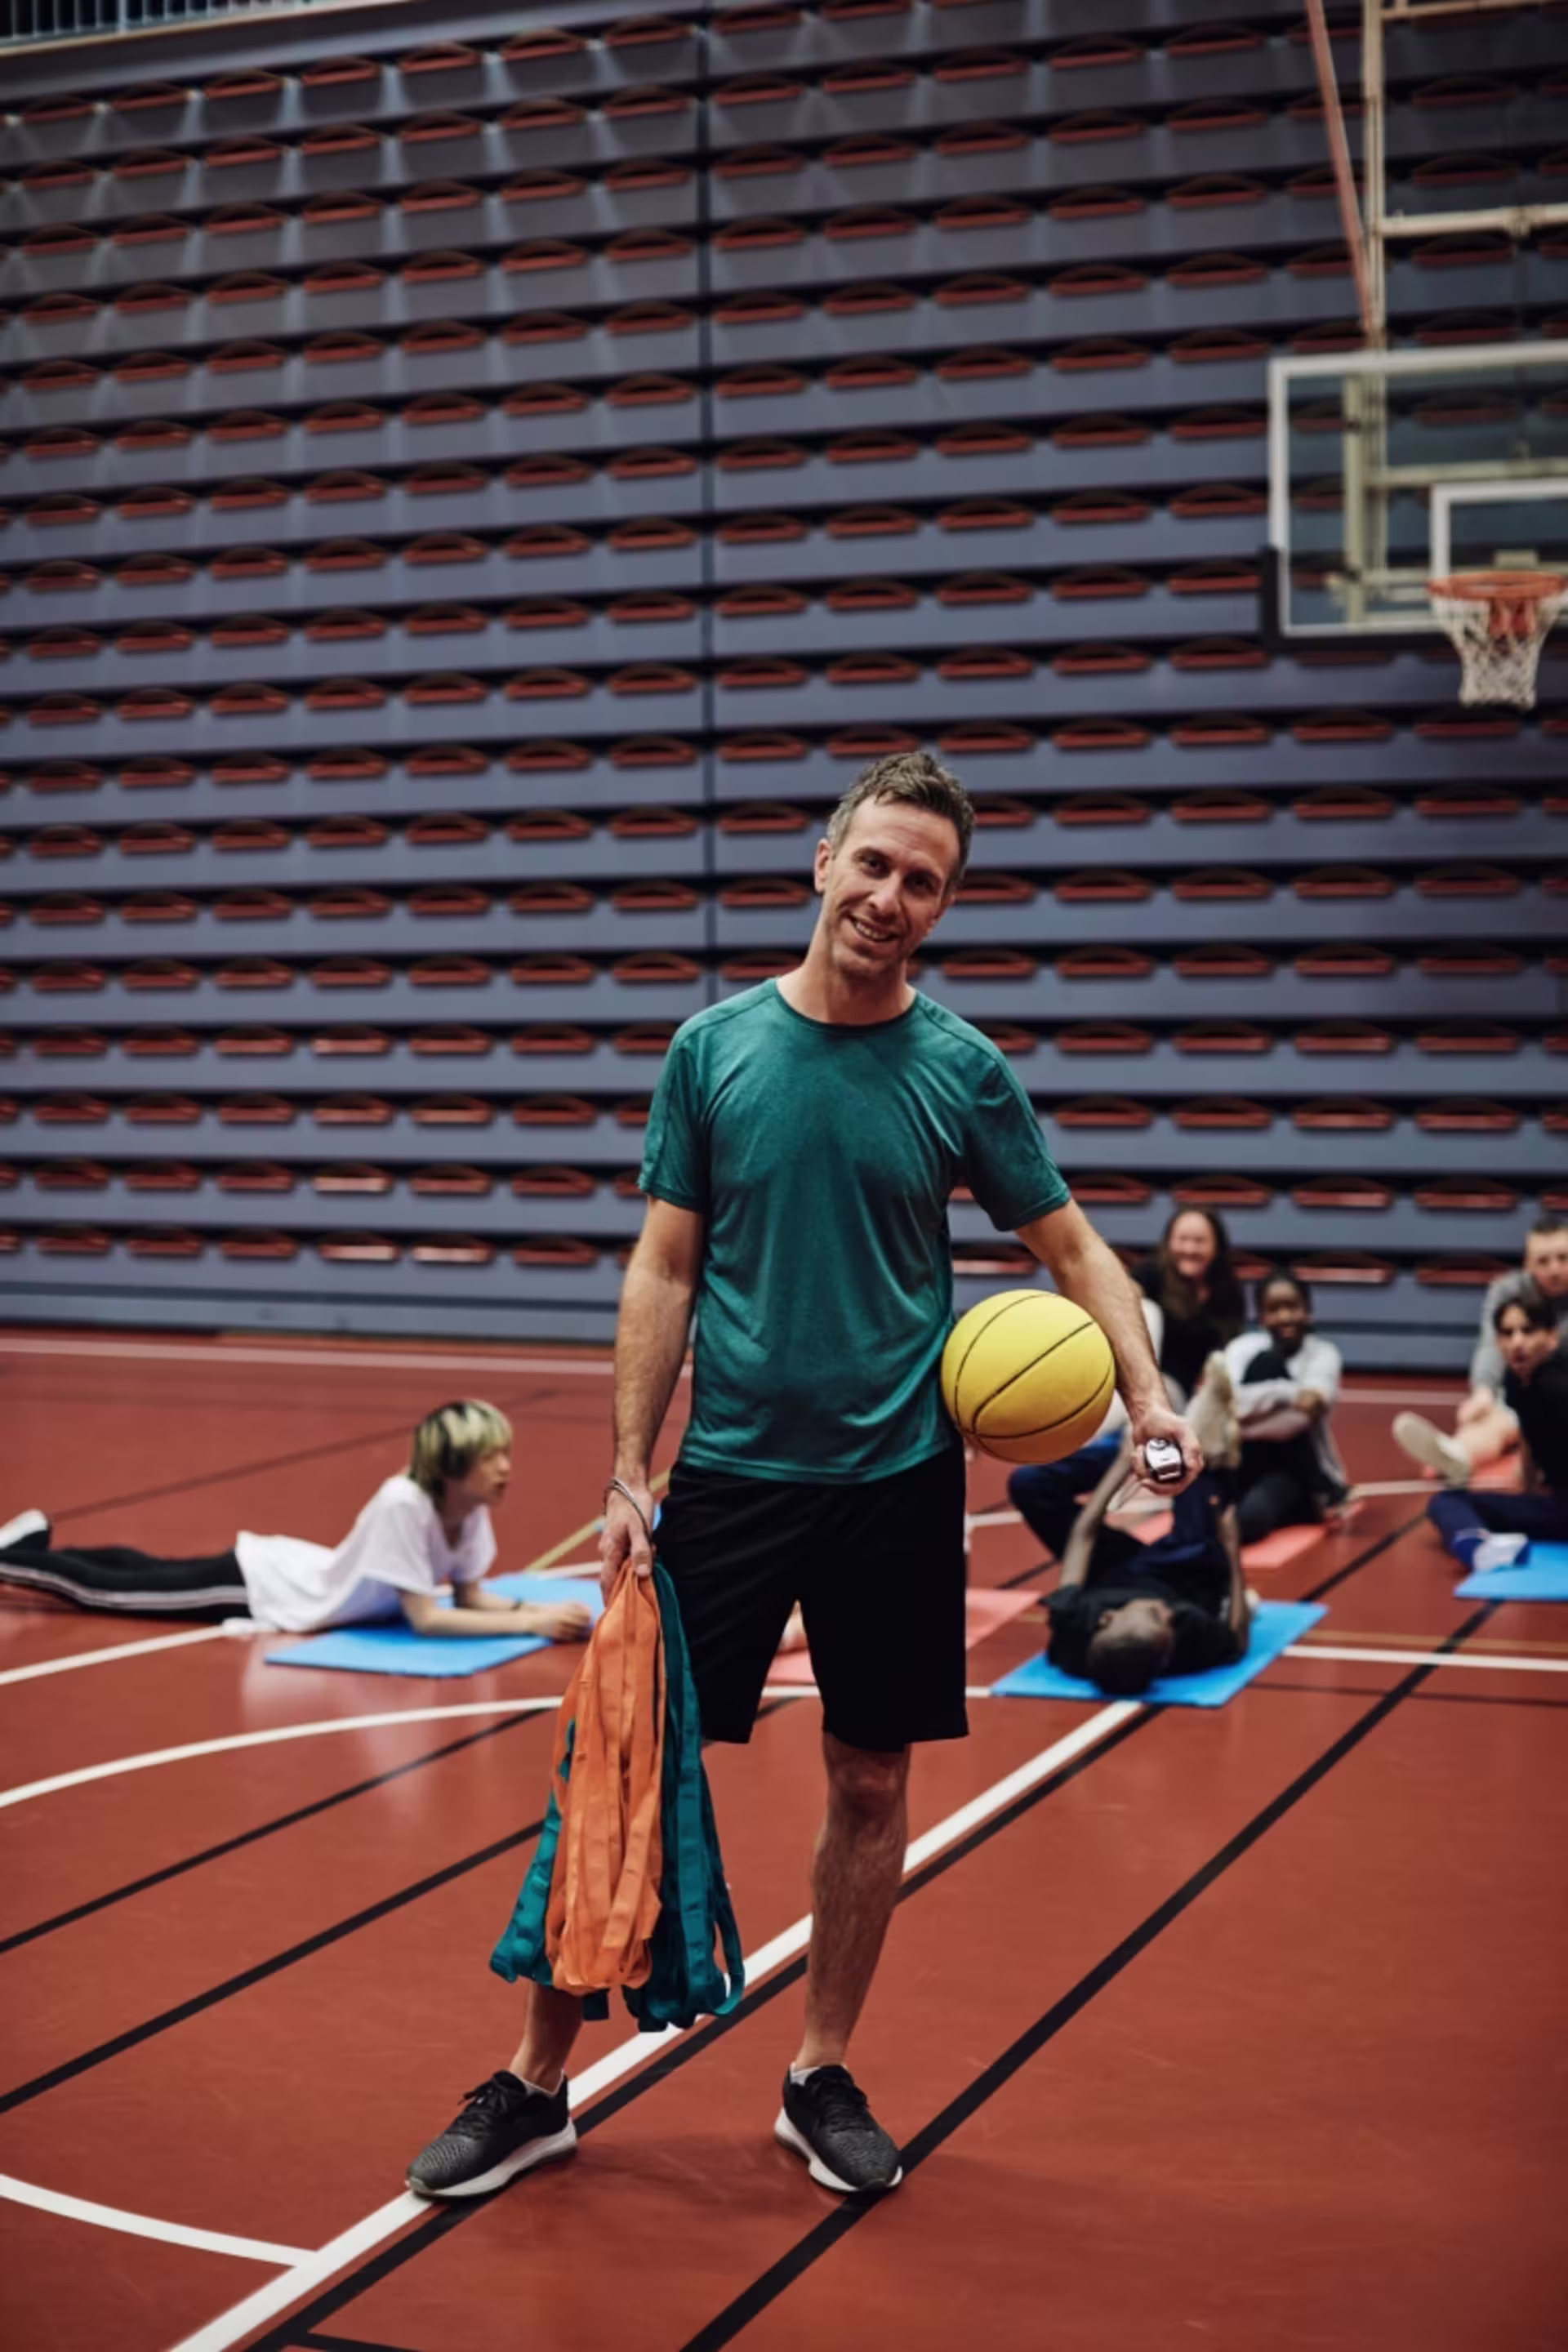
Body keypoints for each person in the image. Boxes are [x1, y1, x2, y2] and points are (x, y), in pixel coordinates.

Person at [404, 748, 1200, 2205]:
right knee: (626, 1774)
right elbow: (665, 1264)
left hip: (897, 1479)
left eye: (927, 884)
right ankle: (534, 2085)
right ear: (822, 863)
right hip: (729, 1477)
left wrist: (1148, 1396)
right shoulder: (712, 1051)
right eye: (877, 865)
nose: (893, 898)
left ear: (945, 909)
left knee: (872, 1774)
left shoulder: (964, 1071)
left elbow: (1077, 1249)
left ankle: (817, 2071)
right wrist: (629, 1473)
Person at [0, 1400, 591, 1643]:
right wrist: (534, 1622)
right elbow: (428, 1617)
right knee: (107, 1592)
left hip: (288, 1564)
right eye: (494, 1457)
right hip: (263, 1587)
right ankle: (12, 1558)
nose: (507, 1469)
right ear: (455, 1466)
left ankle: (26, 1545)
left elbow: (467, 1594)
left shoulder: (468, 1508)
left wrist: (528, 1611)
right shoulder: (403, 1503)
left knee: (143, 1569)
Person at [1040, 1357, 1250, 1696]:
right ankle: (1203, 1433)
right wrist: (1233, 1552)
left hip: (1116, 1569)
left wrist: (1124, 1461)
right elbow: (1236, 1642)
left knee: (1030, 1486)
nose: (1167, 1614)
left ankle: (1164, 1431)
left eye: (1154, 1615)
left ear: (1106, 1619)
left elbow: (1084, 1532)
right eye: (1166, 1625)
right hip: (1184, 1572)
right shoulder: (1185, 1630)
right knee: (1198, 1489)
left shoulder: (1073, 1623)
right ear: (1167, 1655)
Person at [1394, 1214, 1568, 1485]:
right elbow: (1492, 1343)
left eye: (1563, 1258)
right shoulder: (1507, 1291)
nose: (1555, 1269)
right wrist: (1483, 1392)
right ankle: (1457, 1455)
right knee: (1500, 1413)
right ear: (1527, 1264)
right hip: (1529, 1389)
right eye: (1543, 1261)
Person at [1006, 1294, 1164, 1560]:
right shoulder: (1069, 1323)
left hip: (1132, 1433)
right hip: (1105, 1431)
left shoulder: (1147, 1313)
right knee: (1029, 1484)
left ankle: (1122, 1566)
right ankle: (1124, 1564)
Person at [1425, 1288, 1568, 1573]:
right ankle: (1479, 1545)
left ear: (1552, 1337)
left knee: (1447, 1501)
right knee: (1448, 1500)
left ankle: (1477, 1546)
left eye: (1528, 1331)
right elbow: (1528, 1438)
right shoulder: (1516, 1381)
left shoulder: (1558, 1385)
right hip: (1557, 1504)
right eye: (1508, 1333)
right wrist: (1528, 1491)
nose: (1517, 1342)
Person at [1223, 1271, 1350, 1543]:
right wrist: (1289, 1394)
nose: (1284, 1317)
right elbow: (1226, 1404)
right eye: (1273, 1309)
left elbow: (1301, 1420)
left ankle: (1320, 1495)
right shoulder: (1242, 1348)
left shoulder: (1324, 1354)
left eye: (1292, 1307)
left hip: (1295, 1470)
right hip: (1242, 1462)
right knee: (1198, 1511)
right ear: (1260, 1316)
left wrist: (1238, 1425)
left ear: (1307, 1311)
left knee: (1249, 1519)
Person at [1132, 1207, 1246, 1403]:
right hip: (1151, 1386)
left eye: (1199, 1241)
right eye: (1182, 1240)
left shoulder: (1228, 1291)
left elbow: (1227, 1350)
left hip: (1200, 1397)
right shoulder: (1150, 1273)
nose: (1190, 1249)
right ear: (1169, 1242)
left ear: (1217, 1246)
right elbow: (1121, 1304)